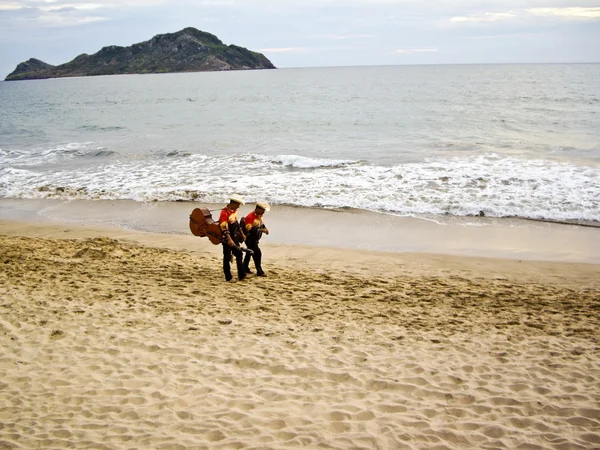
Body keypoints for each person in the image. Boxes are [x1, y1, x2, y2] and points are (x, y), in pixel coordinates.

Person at [218, 195, 247, 282]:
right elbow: (224, 228)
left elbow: (237, 224)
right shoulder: (224, 213)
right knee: (227, 256)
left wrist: (242, 234)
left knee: (239, 254)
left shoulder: (234, 211)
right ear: (233, 203)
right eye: (238, 204)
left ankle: (241, 274)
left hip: (234, 236)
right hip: (226, 237)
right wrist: (229, 239)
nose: (239, 206)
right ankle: (228, 277)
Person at [243, 201, 270, 277]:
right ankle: (259, 270)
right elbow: (249, 229)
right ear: (258, 209)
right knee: (257, 253)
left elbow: (261, 224)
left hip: (255, 238)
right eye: (262, 210)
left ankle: (245, 267)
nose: (263, 212)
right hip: (250, 238)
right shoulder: (250, 217)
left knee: (249, 252)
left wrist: (265, 229)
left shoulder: (260, 216)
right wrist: (262, 230)